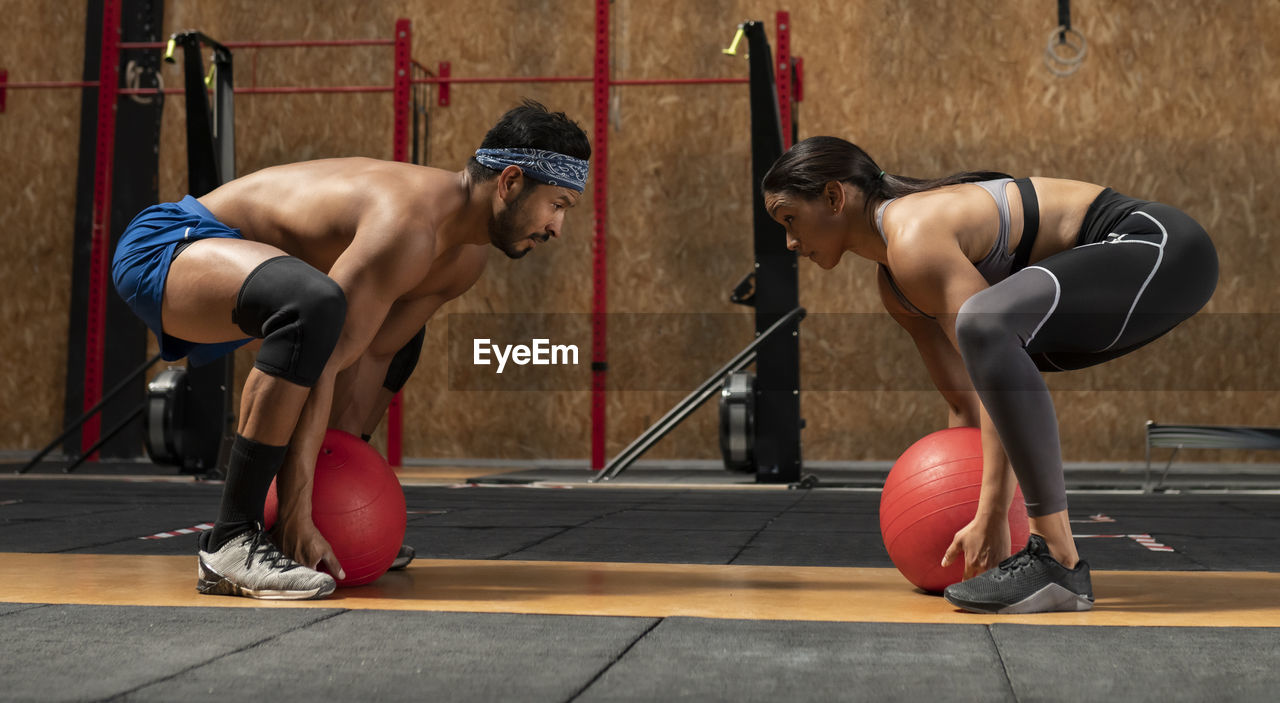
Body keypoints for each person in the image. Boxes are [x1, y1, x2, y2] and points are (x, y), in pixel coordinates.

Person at [112, 100, 591, 599]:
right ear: (510, 183)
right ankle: (231, 540)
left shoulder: (463, 261)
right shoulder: (407, 225)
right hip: (169, 246)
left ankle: (311, 527)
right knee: (316, 308)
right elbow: (322, 360)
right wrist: (293, 513)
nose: (557, 227)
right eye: (557, 205)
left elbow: (364, 359)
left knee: (395, 337)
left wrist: (340, 520)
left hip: (260, 278)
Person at [761, 136, 1217, 613]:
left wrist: (994, 513)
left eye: (790, 220)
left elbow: (988, 356)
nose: (791, 242)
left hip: (1161, 247)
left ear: (835, 197)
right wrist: (965, 514)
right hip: (1127, 282)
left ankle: (1057, 559)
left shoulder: (914, 235)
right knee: (991, 341)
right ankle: (1047, 564)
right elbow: (968, 401)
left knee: (986, 325)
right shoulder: (897, 286)